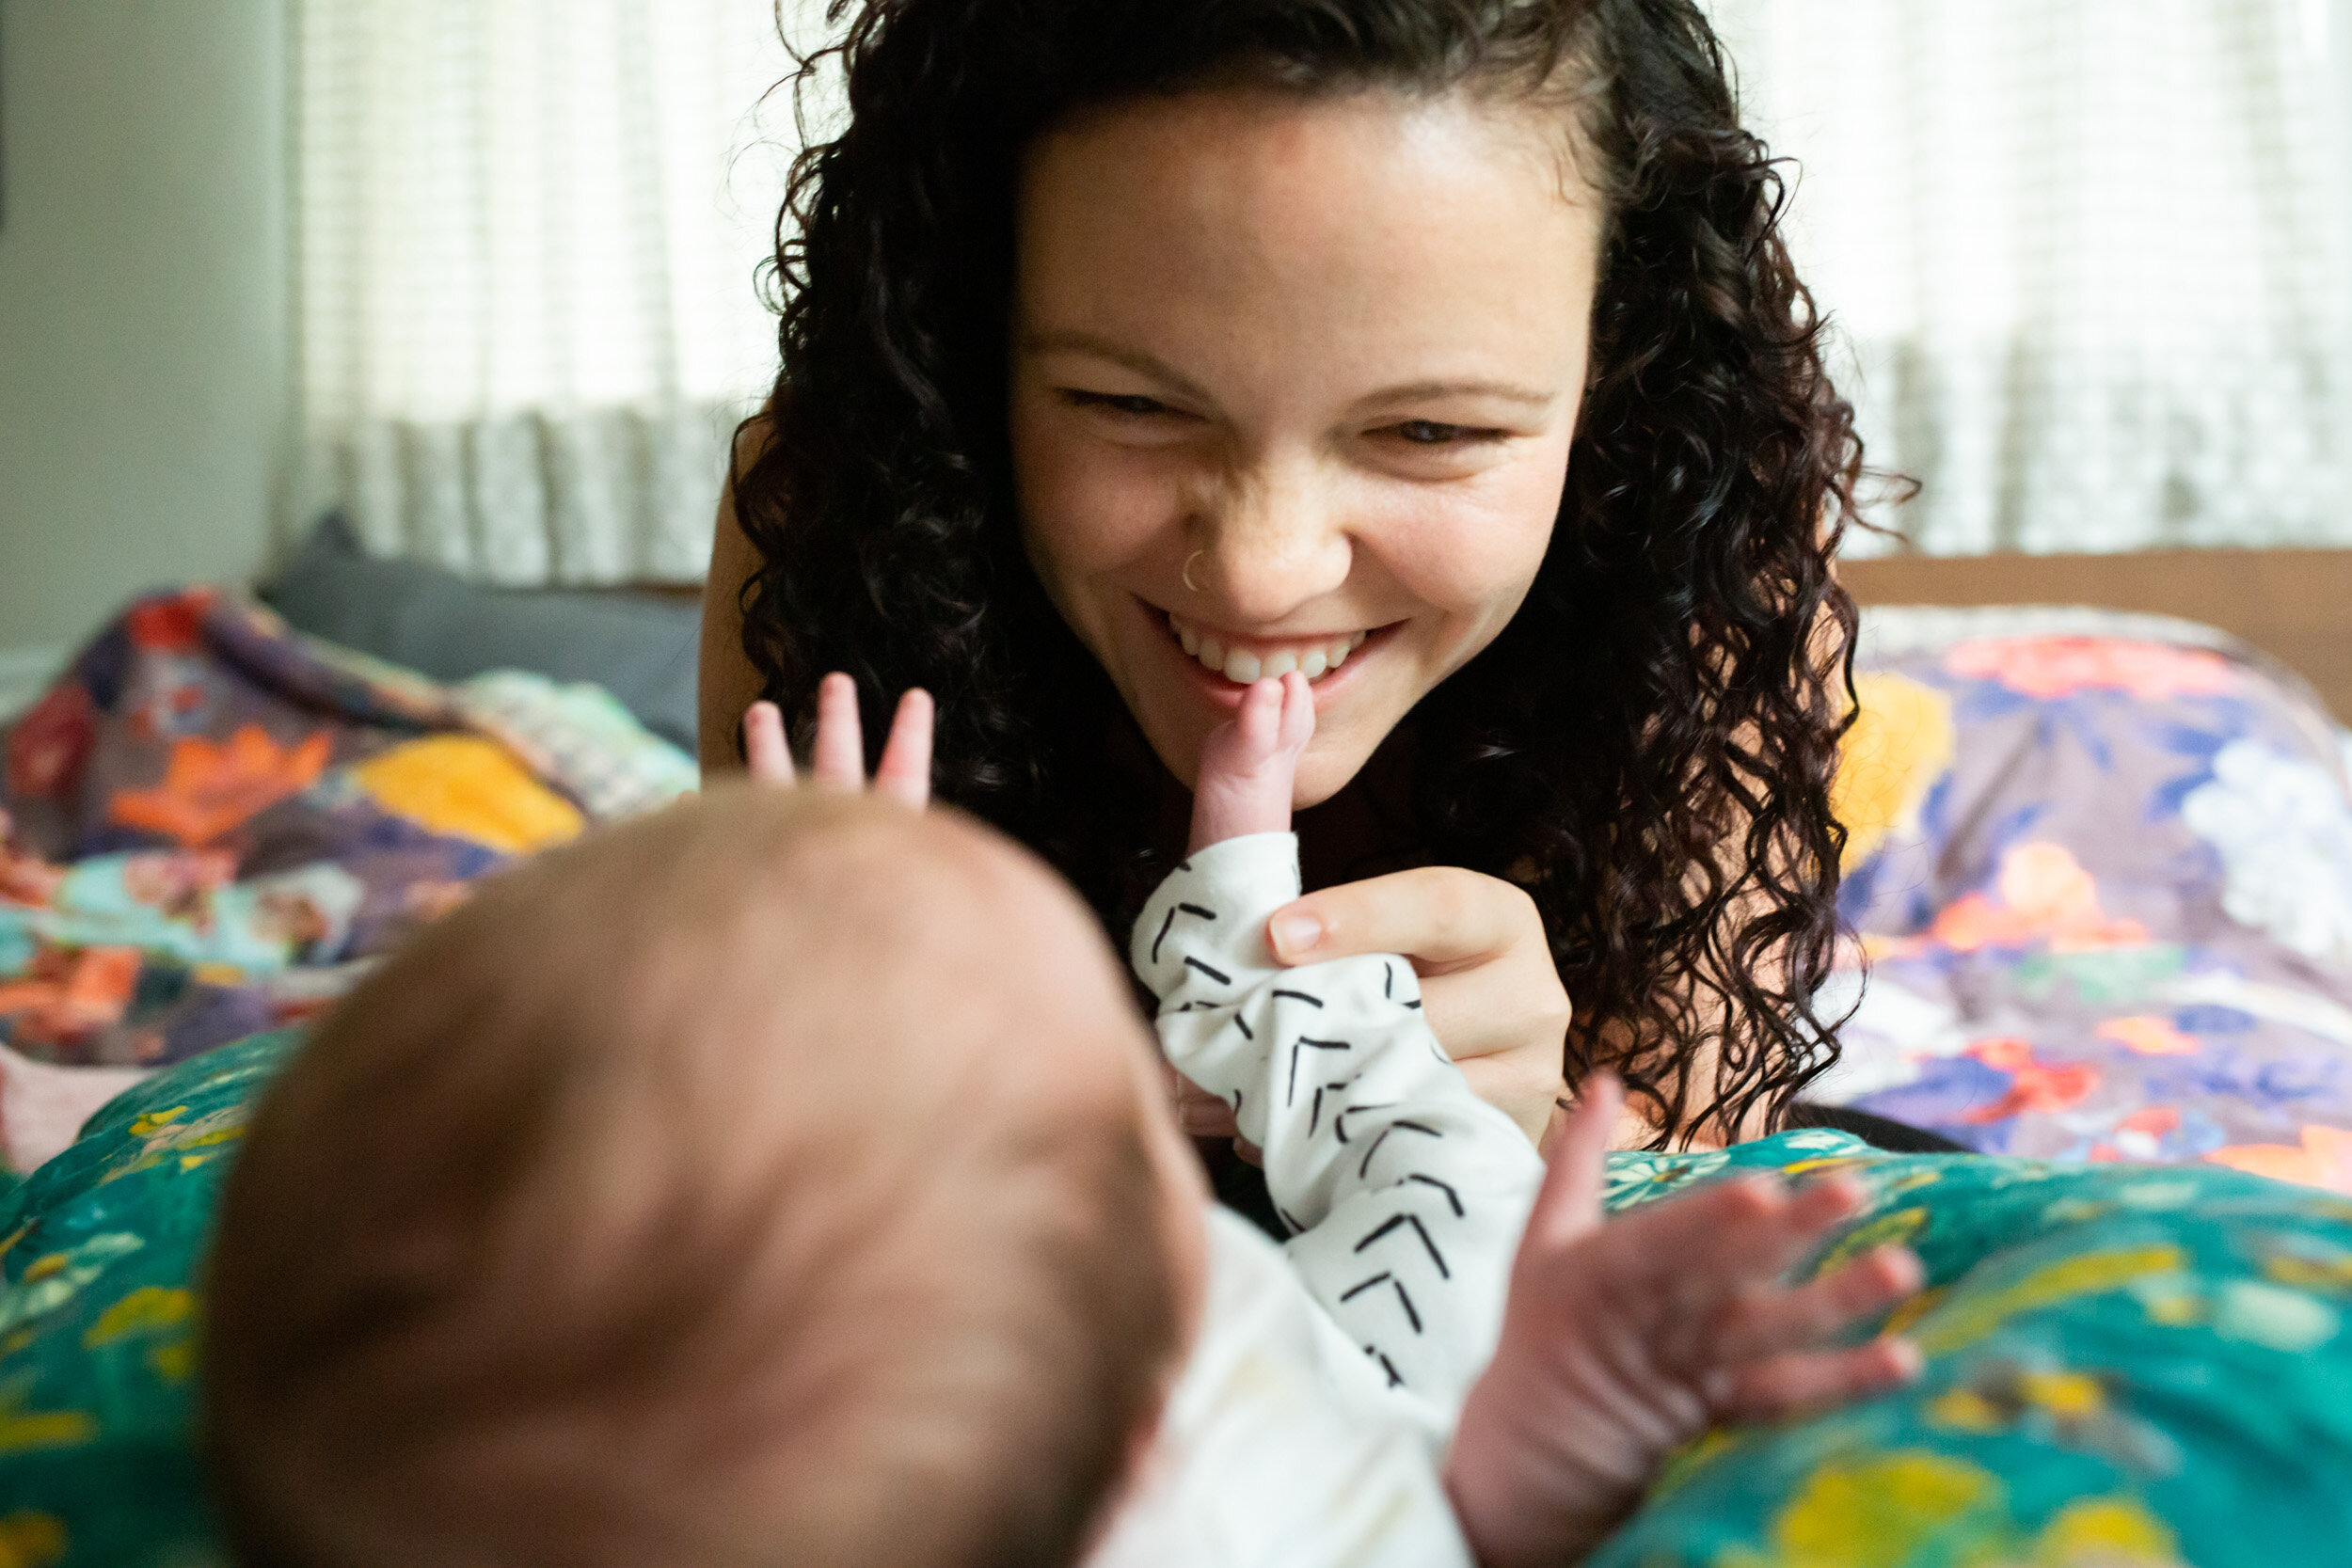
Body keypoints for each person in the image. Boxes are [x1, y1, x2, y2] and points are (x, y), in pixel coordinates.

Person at [203, 685, 1920, 1568]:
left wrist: (816, 938)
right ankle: (1251, 930)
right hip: (1403, 1412)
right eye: (1110, 1093)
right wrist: (1542, 1445)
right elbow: (1420, 1513)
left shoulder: (869, 1445)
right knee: (1450, 1196)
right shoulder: (1246, 1505)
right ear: (1150, 1430)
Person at [700, 0, 1871, 1166]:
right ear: (970, 349)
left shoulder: (1706, 575)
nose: (1262, 576)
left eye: (1428, 428)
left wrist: (1548, 1131)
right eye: (1131, 407)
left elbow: (1695, 1166)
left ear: (1615, 381)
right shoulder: (842, 512)